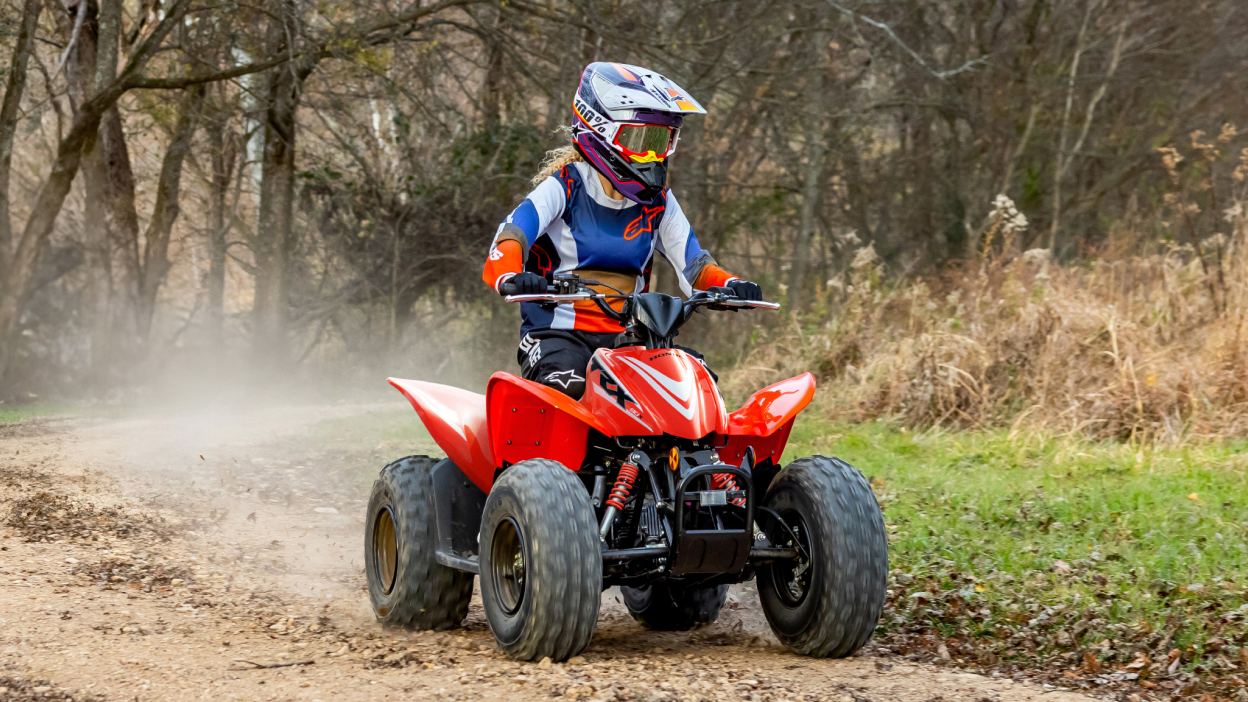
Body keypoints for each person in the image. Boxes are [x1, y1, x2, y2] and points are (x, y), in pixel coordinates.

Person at [481, 62, 762, 399]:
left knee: (696, 386)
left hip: (631, 338)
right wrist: (512, 274)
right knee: (568, 390)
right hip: (556, 337)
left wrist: (730, 285)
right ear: (600, 130)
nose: (652, 155)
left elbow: (695, 267)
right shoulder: (564, 188)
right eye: (640, 139)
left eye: (661, 141)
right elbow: (512, 234)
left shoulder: (660, 202)